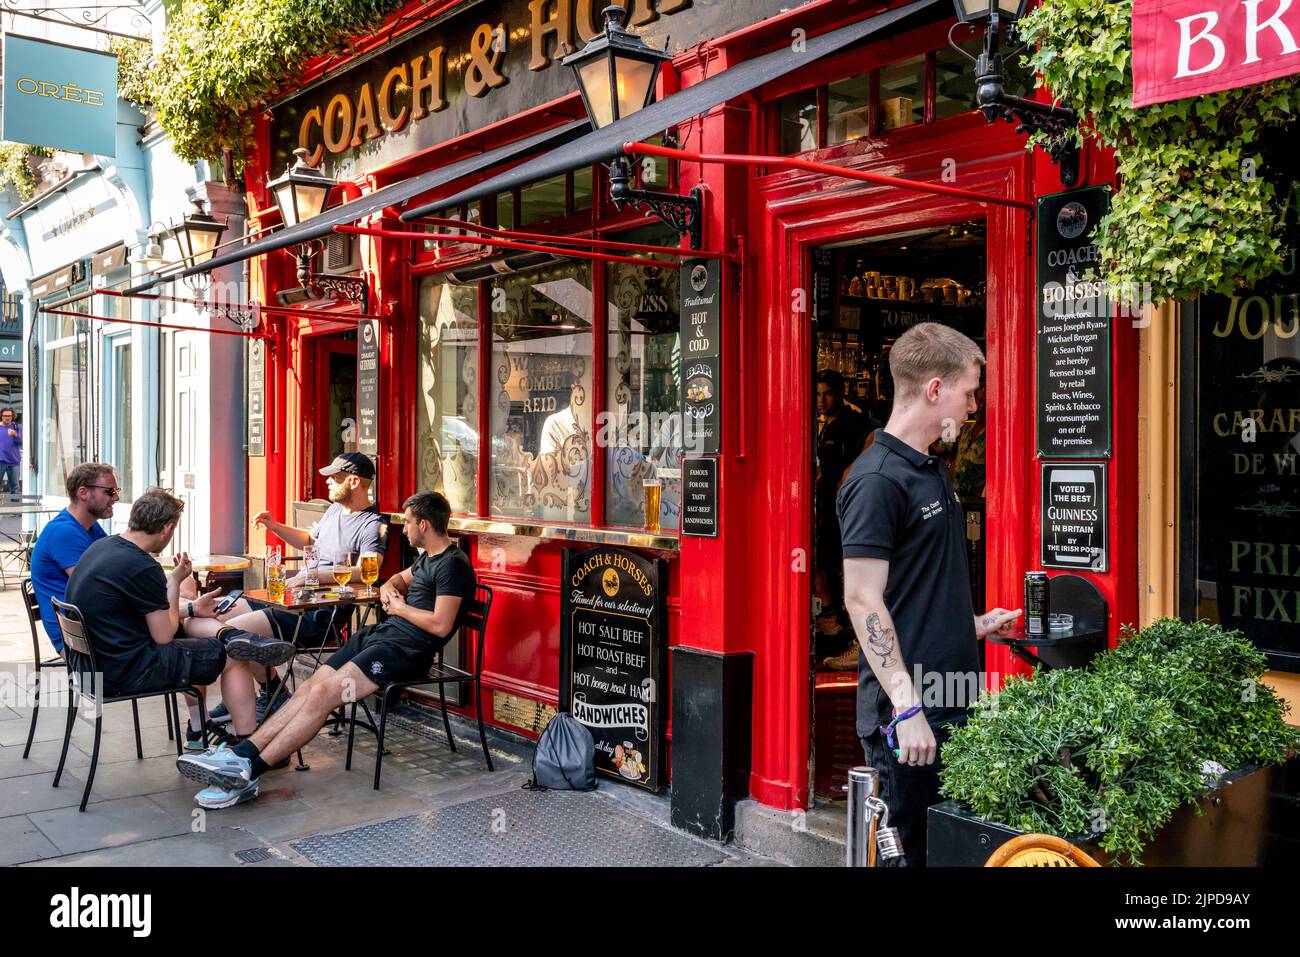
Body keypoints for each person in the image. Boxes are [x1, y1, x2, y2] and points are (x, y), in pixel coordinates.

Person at [836, 323, 1020, 867]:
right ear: (935, 389)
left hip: (953, 698)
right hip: (910, 714)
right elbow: (862, 599)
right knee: (904, 856)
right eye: (969, 392)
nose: (972, 407)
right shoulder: (876, 480)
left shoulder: (932, 469)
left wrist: (977, 624)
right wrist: (907, 704)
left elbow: (918, 587)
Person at [177, 490, 477, 809]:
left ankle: (248, 769)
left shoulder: (453, 565)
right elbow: (391, 583)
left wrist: (399, 609)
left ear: (424, 524)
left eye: (407, 523)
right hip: (382, 636)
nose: (404, 529)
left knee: (325, 695)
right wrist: (391, 595)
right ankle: (241, 753)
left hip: (407, 651)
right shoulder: (426, 559)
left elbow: (441, 625)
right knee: (310, 686)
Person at [63, 488, 295, 749]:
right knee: (233, 655)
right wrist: (174, 580)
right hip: (122, 672)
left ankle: (199, 730)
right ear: (167, 528)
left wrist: (189, 605)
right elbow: (163, 634)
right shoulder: (141, 565)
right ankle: (248, 748)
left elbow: (141, 613)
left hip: (88, 667)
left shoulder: (102, 547)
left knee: (193, 640)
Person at [191, 451, 387, 724]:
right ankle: (248, 691)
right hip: (290, 596)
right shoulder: (334, 510)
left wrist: (318, 574)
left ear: (354, 482)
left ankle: (270, 692)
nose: (328, 482)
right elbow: (309, 538)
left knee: (234, 633)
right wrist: (274, 526)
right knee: (217, 617)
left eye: (335, 476)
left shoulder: (372, 524)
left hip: (318, 611)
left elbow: (371, 569)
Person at [30, 464, 131, 654]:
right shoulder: (65, 533)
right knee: (184, 645)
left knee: (180, 632)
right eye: (110, 491)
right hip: (79, 643)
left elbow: (118, 569)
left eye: (116, 491)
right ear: (83, 493)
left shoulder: (90, 528)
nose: (116, 498)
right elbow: (98, 588)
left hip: (94, 629)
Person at [814, 369, 872, 665]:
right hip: (824, 508)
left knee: (850, 569)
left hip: (850, 508)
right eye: (819, 393)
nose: (822, 400)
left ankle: (858, 643)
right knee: (825, 563)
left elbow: (879, 438)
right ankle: (834, 624)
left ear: (841, 392)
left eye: (828, 393)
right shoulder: (821, 425)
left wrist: (851, 473)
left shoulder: (856, 422)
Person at [0, 408, 21, 499]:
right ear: (1, 416)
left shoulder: (17, 427)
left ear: (13, 417)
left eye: (9, 416)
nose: (7, 418)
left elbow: (23, 442)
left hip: (14, 462)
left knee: (15, 488)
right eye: (5, 415)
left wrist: (15, 435)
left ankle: (15, 512)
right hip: (0, 461)